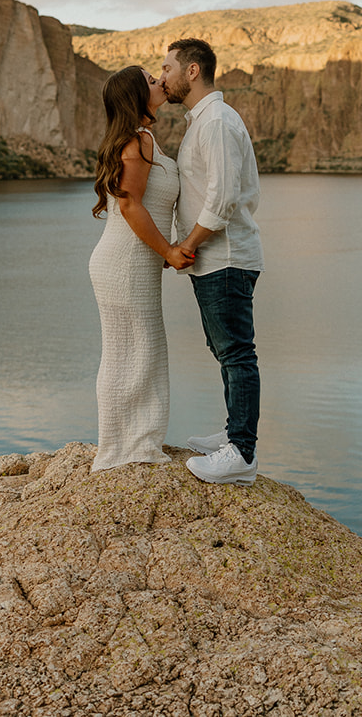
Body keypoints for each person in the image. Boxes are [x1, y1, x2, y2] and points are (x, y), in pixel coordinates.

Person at [160, 38, 263, 486]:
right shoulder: (203, 120)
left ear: (192, 70)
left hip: (224, 258)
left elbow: (221, 200)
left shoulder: (217, 121)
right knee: (224, 350)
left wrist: (187, 245)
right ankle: (232, 431)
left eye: (167, 68)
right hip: (213, 259)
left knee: (238, 353)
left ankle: (241, 452)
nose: (162, 76)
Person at [88, 66, 194, 473]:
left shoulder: (142, 139)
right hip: (124, 262)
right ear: (136, 96)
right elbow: (130, 205)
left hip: (129, 261)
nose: (159, 83)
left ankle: (127, 445)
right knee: (132, 352)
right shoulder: (140, 140)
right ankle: (123, 449)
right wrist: (168, 250)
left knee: (132, 351)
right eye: (151, 81)